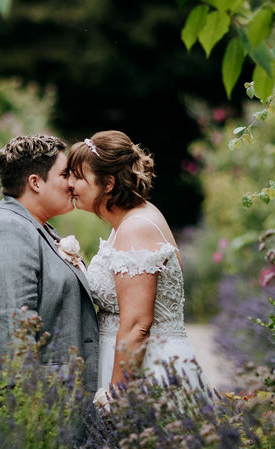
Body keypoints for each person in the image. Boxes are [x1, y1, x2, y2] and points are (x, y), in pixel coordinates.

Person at [66, 130, 210, 405]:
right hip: (133, 367)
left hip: (149, 374)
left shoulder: (137, 228)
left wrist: (116, 398)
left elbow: (136, 326)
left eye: (78, 177)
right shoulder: (130, 221)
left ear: (107, 183)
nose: (69, 184)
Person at [0, 134, 99, 389]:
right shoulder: (6, 232)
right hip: (31, 408)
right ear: (35, 182)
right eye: (65, 174)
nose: (72, 183)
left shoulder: (33, 227)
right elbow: (13, 341)